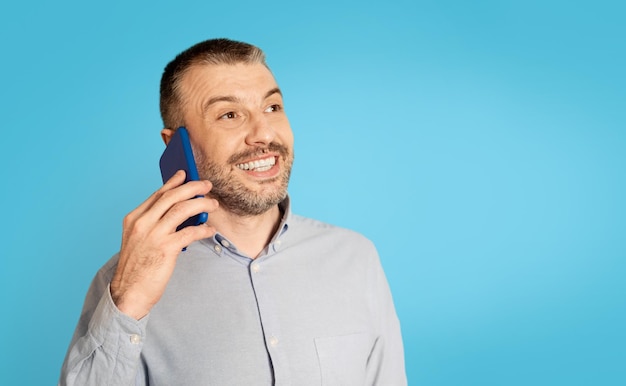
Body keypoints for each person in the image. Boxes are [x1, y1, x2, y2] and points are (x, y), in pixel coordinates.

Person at [59, 38, 406, 385]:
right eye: (229, 114)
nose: (264, 134)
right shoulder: (121, 282)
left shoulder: (356, 258)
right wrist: (128, 302)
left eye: (272, 107)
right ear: (175, 146)